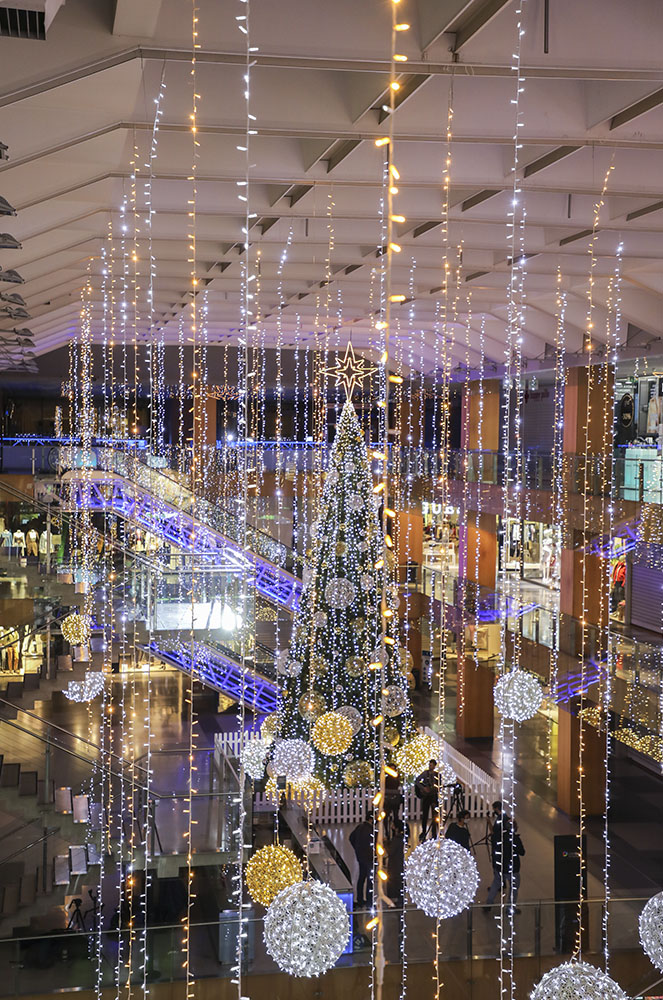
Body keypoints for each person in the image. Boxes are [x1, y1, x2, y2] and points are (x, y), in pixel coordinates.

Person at [485, 801, 513, 910]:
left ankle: (499, 884)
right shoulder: (506, 818)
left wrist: (488, 822)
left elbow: (494, 832)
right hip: (504, 846)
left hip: (497, 847)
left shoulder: (499, 820)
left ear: (496, 808)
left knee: (496, 867)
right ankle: (502, 883)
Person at [349, 811, 373, 907]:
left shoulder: (360, 827)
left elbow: (351, 838)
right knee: (370, 880)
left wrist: (356, 848)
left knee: (361, 878)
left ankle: (360, 899)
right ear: (371, 819)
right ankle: (369, 901)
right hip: (369, 858)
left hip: (360, 857)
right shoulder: (371, 830)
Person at [415, 759, 440, 841]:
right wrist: (423, 788)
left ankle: (434, 832)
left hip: (433, 796)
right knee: (425, 815)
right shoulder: (425, 773)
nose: (430, 766)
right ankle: (424, 831)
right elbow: (417, 780)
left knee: (434, 815)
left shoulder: (437, 775)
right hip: (426, 797)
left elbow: (440, 784)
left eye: (432, 765)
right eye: (429, 765)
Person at [386, 819, 404, 904]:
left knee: (394, 881)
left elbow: (391, 851)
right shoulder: (401, 838)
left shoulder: (396, 839)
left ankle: (395, 899)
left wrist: (386, 844)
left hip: (394, 864)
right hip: (398, 863)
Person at [511, 820, 525, 913]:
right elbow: (522, 852)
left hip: (502, 866)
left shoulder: (502, 837)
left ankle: (489, 903)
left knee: (496, 883)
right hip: (514, 867)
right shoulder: (515, 839)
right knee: (514, 888)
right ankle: (510, 907)